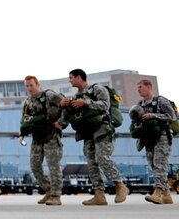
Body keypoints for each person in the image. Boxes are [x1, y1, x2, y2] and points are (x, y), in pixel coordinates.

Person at [55, 69, 128, 206]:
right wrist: (62, 107)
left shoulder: (97, 89)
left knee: (102, 157)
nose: (69, 81)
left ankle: (120, 185)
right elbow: (68, 117)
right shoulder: (76, 97)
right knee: (91, 163)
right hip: (87, 134)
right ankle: (99, 195)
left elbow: (105, 105)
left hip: (102, 130)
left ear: (79, 77)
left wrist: (86, 103)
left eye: (71, 78)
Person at [19, 75, 63, 205]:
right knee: (35, 166)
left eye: (31, 85)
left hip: (51, 136)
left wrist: (62, 122)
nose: (29, 88)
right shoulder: (28, 102)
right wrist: (22, 134)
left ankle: (56, 196)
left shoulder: (49, 95)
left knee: (53, 167)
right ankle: (49, 190)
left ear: (38, 85)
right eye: (27, 86)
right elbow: (24, 119)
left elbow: (65, 105)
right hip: (37, 138)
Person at [130, 79, 175, 205]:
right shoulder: (139, 105)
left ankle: (157, 192)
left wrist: (153, 115)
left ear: (149, 87)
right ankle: (166, 195)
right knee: (153, 165)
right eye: (138, 87)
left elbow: (172, 116)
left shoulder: (160, 101)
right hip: (148, 138)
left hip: (162, 136)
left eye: (141, 87)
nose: (138, 90)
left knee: (159, 163)